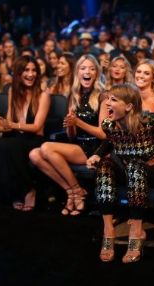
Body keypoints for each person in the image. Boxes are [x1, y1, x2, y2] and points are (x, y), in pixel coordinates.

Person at [86, 83, 154, 263]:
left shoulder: (150, 124)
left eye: (113, 100)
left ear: (129, 106)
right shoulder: (109, 125)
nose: (107, 104)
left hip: (152, 174)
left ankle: (136, 232)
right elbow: (109, 142)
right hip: (127, 170)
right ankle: (109, 230)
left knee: (135, 166)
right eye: (107, 99)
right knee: (105, 165)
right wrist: (96, 155)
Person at [29, 54, 106, 216]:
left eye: (92, 69)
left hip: (94, 148)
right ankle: (73, 192)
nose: (87, 72)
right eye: (83, 68)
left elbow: (103, 134)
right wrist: (71, 125)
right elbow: (71, 136)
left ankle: (76, 192)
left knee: (46, 148)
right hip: (77, 144)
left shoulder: (102, 96)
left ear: (97, 73)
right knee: (34, 155)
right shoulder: (74, 95)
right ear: (78, 72)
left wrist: (78, 122)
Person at [0, 55, 50, 210]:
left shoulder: (43, 95)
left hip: (34, 138)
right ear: (18, 73)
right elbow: (9, 122)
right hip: (17, 136)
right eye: (26, 70)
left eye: (33, 70)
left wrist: (11, 125)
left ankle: (28, 189)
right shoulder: (13, 91)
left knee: (7, 145)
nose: (31, 74)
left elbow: (37, 126)